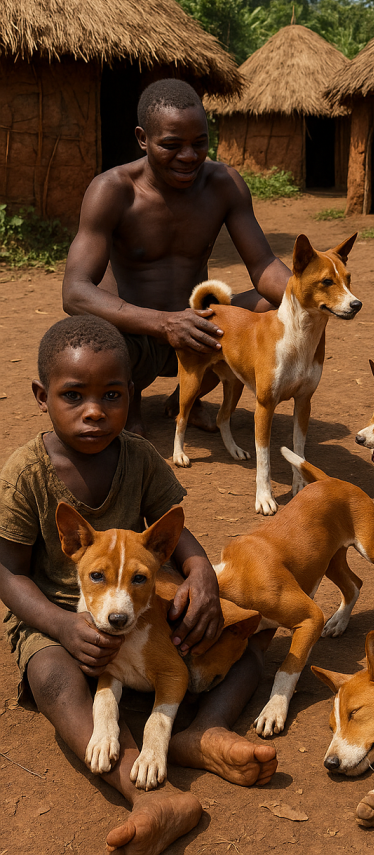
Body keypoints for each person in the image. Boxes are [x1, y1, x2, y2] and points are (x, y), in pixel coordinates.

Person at [0, 316, 277, 855]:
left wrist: (201, 576)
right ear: (42, 396)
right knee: (55, 679)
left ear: (132, 395)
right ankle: (144, 792)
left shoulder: (140, 458)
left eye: (111, 395)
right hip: (52, 613)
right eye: (73, 396)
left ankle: (203, 732)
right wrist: (61, 625)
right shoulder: (25, 474)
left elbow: (174, 532)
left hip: (141, 604)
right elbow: (7, 571)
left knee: (238, 648)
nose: (94, 411)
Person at [62, 78, 291, 435]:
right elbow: (75, 291)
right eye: (171, 145)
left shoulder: (223, 184)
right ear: (142, 139)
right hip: (132, 332)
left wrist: (309, 295)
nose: (188, 156)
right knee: (92, 332)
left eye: (199, 143)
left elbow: (263, 265)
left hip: (199, 327)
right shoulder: (113, 190)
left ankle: (189, 397)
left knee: (276, 306)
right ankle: (129, 405)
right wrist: (165, 323)